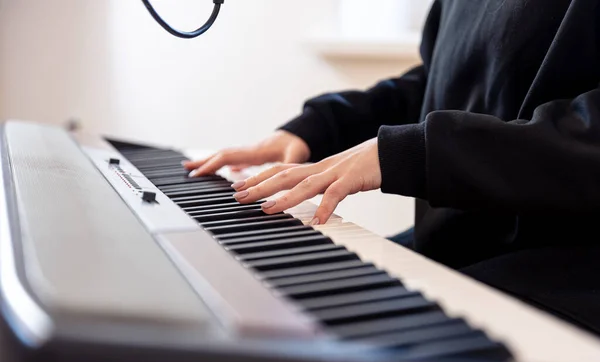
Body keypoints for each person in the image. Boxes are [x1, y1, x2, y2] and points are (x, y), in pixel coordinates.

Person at [184, 0, 600, 334]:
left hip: (565, 273)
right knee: (267, 301)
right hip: (457, 246)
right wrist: (318, 129)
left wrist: (406, 153)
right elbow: (442, 81)